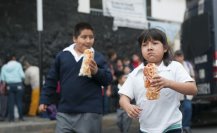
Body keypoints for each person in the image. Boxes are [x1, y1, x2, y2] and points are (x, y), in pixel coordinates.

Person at [118, 28, 197, 133]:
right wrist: (128, 106)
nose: (149, 48)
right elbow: (123, 97)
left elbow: (193, 89)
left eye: (154, 43)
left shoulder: (174, 67)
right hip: (146, 129)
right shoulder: (136, 73)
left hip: (172, 128)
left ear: (165, 48)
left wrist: (168, 83)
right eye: (144, 45)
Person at [39, 22, 112, 133]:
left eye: (91, 37)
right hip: (64, 112)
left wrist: (96, 71)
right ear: (75, 38)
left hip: (90, 112)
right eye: (84, 37)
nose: (88, 41)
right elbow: (51, 79)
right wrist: (45, 99)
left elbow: (108, 79)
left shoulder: (97, 57)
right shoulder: (62, 55)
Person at [174, 50, 195, 133]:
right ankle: (179, 127)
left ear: (183, 56)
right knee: (177, 111)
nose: (179, 58)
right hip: (176, 93)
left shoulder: (188, 65)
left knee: (188, 108)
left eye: (180, 56)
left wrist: (193, 86)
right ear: (175, 57)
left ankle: (186, 126)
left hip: (187, 92)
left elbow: (192, 76)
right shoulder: (172, 66)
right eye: (177, 56)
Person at [0, 53, 25, 122]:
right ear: (14, 58)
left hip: (9, 86)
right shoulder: (18, 65)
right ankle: (21, 117)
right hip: (18, 85)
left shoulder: (4, 67)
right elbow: (22, 76)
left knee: (11, 102)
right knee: (19, 101)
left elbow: (2, 79)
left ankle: (11, 119)